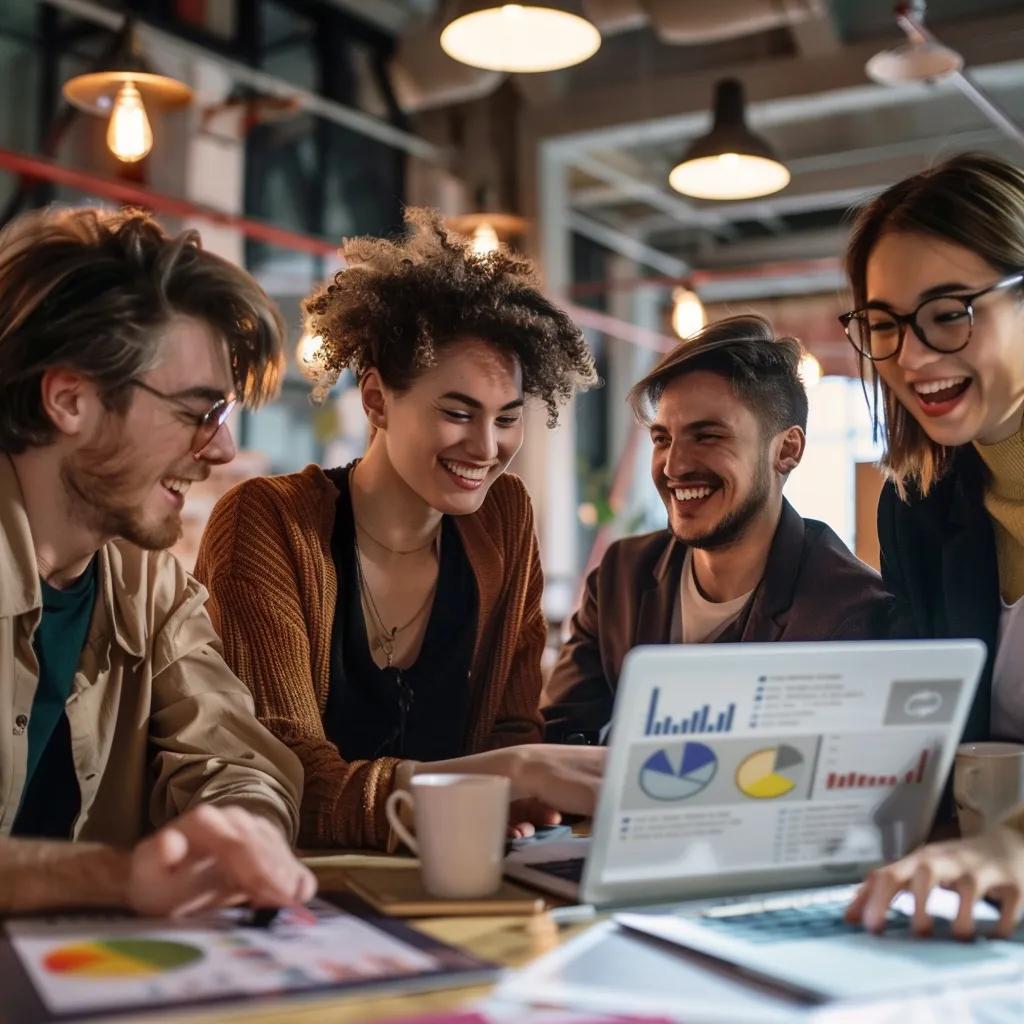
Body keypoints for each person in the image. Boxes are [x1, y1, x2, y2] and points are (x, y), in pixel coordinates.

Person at [194, 208, 604, 851]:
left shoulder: (504, 519)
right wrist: (509, 776)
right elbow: (288, 783)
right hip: (297, 887)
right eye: (458, 412)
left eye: (508, 418)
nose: (486, 446)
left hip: (454, 879)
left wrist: (518, 787)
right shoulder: (267, 523)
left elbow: (509, 729)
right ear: (378, 399)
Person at [0, 206, 315, 916]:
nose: (224, 450)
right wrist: (114, 876)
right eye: (197, 411)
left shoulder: (154, 587)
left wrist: (240, 839)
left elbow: (239, 764)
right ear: (70, 398)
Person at [543, 315, 891, 743]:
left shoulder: (848, 612)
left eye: (706, 436)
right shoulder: (622, 576)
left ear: (787, 449)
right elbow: (559, 734)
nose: (673, 466)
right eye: (662, 439)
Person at [836, 153, 1024, 937]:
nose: (911, 357)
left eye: (949, 313)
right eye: (883, 325)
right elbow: (921, 751)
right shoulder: (917, 511)